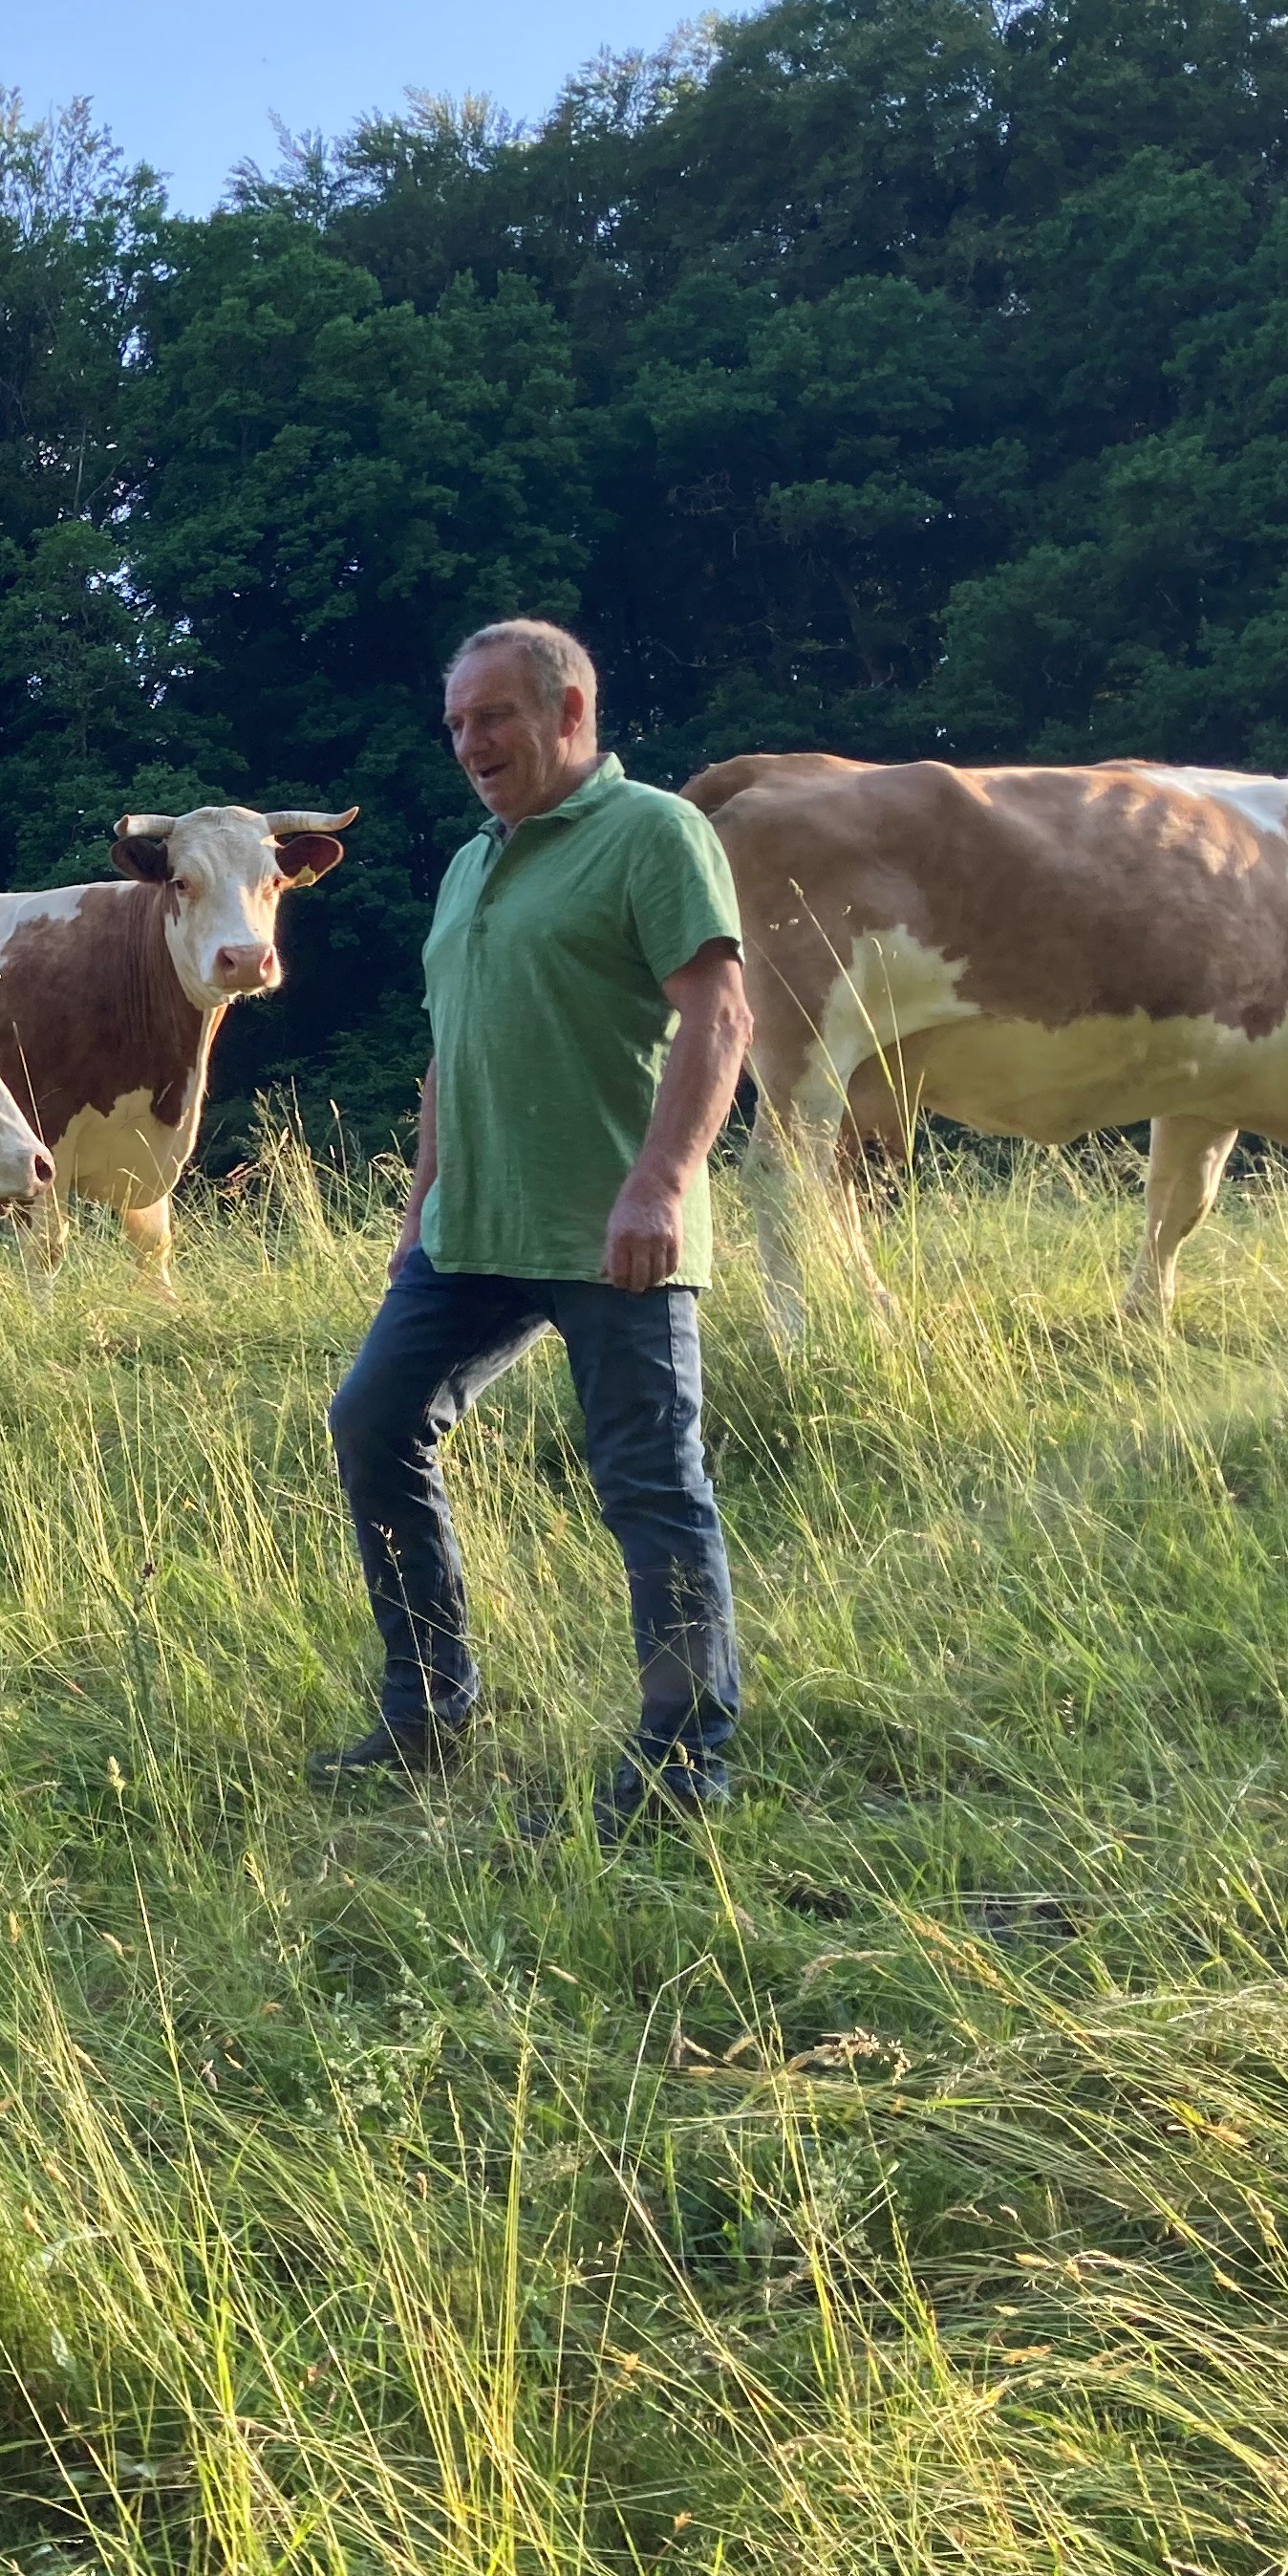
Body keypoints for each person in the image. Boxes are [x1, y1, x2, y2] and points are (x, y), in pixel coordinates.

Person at [310, 619, 755, 1840]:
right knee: (374, 1422)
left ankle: (683, 1768)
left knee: (651, 1486)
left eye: (493, 717)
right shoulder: (469, 866)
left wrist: (660, 1185)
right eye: (456, 724)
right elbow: (451, 1052)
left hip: (617, 1231)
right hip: (471, 1233)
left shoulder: (654, 834)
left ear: (569, 713)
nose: (470, 744)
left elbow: (719, 1017)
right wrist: (419, 1207)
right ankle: (429, 1707)